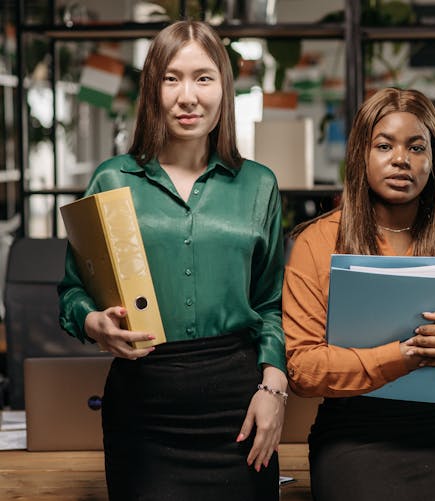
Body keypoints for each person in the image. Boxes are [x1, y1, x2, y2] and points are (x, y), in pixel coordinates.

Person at [58, 20, 287, 500]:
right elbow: (72, 292)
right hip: (143, 407)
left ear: (224, 89)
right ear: (152, 89)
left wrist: (274, 388)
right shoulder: (111, 180)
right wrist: (95, 323)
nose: (188, 96)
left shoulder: (259, 185)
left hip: (239, 407)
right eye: (171, 78)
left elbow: (270, 305)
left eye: (204, 78)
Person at [282, 87, 435, 501]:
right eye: (384, 145)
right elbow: (303, 369)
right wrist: (405, 355)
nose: (401, 159)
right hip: (353, 428)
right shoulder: (317, 243)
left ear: (434, 160)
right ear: (361, 156)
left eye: (416, 147)